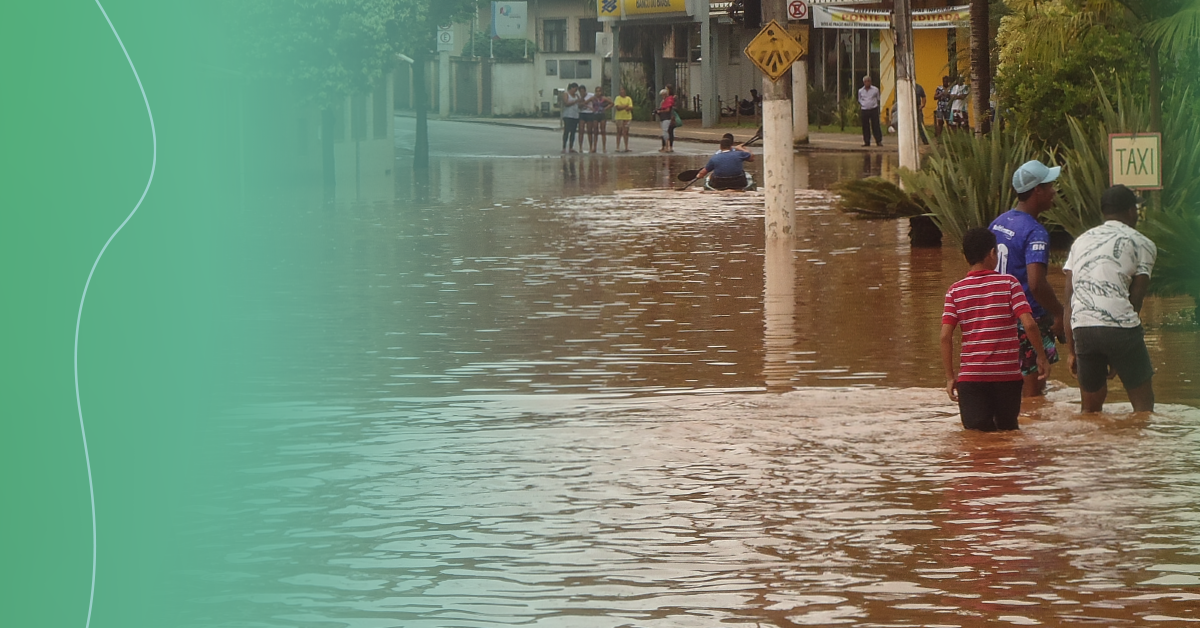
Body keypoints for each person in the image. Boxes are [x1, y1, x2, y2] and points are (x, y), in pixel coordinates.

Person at [941, 228, 1051, 431]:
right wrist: (1041, 357)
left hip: (971, 378)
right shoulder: (1009, 284)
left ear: (966, 257)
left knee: (977, 439)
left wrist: (950, 377)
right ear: (993, 253)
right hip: (1007, 378)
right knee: (1007, 434)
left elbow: (945, 336)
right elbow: (1029, 324)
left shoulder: (955, 291)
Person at [1063, 185, 1158, 413]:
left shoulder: (1080, 242)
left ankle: (1093, 448)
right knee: (1144, 407)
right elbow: (1136, 299)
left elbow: (1069, 300)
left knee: (1090, 410)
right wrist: (1118, 352)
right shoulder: (1143, 243)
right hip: (1121, 327)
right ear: (1131, 211)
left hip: (1083, 327)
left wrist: (1072, 351)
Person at [989, 159, 1066, 397]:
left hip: (998, 316)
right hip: (1026, 319)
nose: (1054, 191)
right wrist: (1059, 312)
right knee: (1032, 393)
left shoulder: (998, 223)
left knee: (1006, 386)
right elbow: (1036, 283)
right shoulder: (1035, 232)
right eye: (1049, 185)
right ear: (1037, 190)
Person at [858, 75, 882, 147]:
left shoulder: (875, 89)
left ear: (870, 82)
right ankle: (867, 141)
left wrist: (874, 104)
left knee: (875, 125)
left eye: (868, 81)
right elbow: (859, 99)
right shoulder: (860, 91)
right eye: (865, 81)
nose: (867, 83)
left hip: (873, 109)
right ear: (863, 82)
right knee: (865, 126)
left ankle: (878, 141)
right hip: (864, 109)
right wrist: (863, 104)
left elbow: (878, 98)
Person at [590, 86, 613, 153]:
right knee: (595, 131)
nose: (598, 93)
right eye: (597, 91)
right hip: (595, 115)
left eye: (599, 91)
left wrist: (605, 108)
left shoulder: (603, 98)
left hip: (602, 115)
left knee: (603, 131)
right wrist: (591, 108)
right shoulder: (593, 98)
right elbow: (585, 103)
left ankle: (604, 147)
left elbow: (612, 103)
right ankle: (594, 147)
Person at [560, 83, 581, 153]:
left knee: (573, 132)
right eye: (575, 89)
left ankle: (571, 147)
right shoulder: (566, 94)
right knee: (566, 131)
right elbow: (566, 103)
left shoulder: (577, 96)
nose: (575, 90)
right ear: (571, 88)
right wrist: (575, 101)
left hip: (575, 115)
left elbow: (579, 104)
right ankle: (564, 147)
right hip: (568, 115)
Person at [613, 86, 633, 153]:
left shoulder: (628, 98)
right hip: (619, 117)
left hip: (627, 117)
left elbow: (630, 107)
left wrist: (624, 107)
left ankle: (626, 147)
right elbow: (618, 107)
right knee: (619, 132)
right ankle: (617, 147)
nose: (622, 91)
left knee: (626, 132)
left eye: (623, 90)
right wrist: (625, 106)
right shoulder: (617, 98)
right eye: (620, 90)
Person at [656, 87, 675, 153]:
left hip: (667, 118)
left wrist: (660, 111)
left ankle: (667, 146)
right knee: (665, 132)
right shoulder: (664, 101)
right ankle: (666, 146)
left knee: (666, 132)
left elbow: (668, 109)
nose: (662, 96)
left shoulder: (669, 100)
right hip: (663, 118)